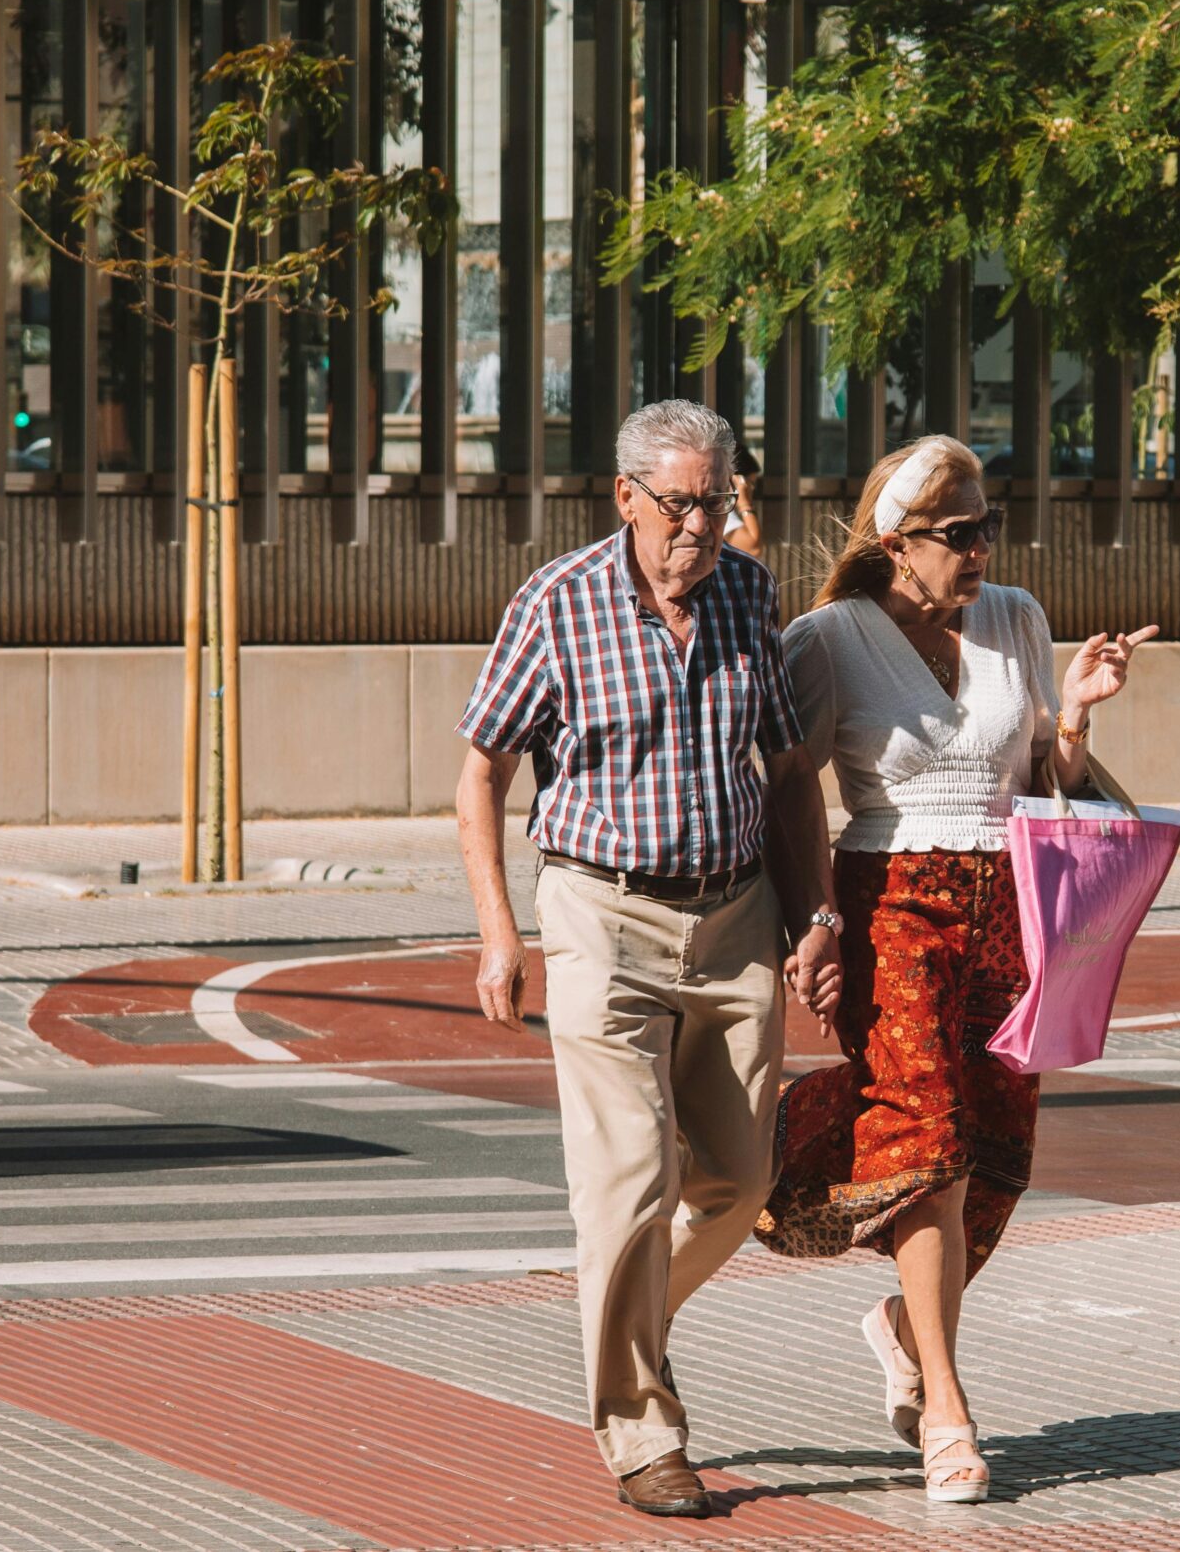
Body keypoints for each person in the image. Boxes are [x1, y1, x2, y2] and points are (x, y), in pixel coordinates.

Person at [453, 399, 841, 1520]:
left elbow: (782, 770)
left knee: (739, 1180)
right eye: (682, 505)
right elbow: (481, 769)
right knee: (627, 1189)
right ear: (626, 497)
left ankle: (619, 1322)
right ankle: (641, 1433)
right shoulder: (556, 603)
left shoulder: (747, 594)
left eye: (719, 503)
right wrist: (498, 929)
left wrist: (815, 913)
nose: (703, 527)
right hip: (597, 916)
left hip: (734, 924)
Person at [756, 434, 1154, 1506]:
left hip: (1007, 907)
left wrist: (1075, 709)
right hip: (889, 905)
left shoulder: (1016, 618)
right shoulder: (824, 640)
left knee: (998, 1155)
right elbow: (792, 793)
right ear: (896, 541)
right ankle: (946, 1405)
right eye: (959, 532)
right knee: (926, 1141)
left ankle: (897, 1328)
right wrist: (811, 925)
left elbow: (1043, 774)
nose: (983, 548)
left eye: (989, 526)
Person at [725, 444, 767, 560]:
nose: (752, 488)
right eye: (751, 482)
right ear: (738, 480)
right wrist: (744, 503)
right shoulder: (720, 508)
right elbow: (753, 548)